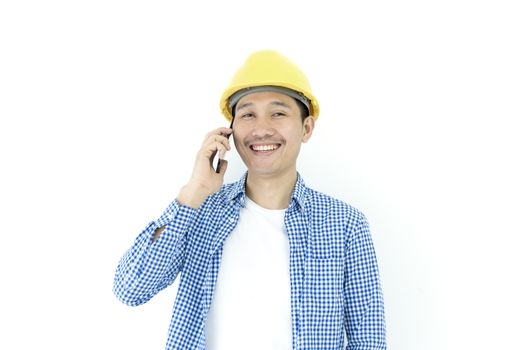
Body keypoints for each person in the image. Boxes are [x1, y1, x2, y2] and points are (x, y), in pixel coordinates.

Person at [113, 50, 387, 350]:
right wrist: (194, 191)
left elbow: (368, 341)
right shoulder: (200, 211)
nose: (261, 129)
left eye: (278, 113)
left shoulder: (345, 225)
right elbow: (130, 288)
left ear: (306, 128)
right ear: (230, 131)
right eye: (247, 115)